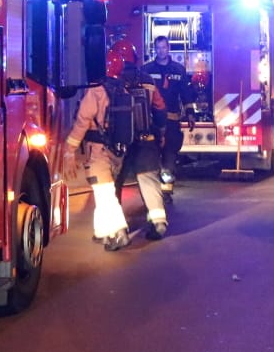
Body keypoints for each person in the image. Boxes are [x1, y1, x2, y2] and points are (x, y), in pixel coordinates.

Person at [63, 43, 137, 252]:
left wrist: (69, 151)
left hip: (98, 151)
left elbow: (82, 122)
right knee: (103, 189)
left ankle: (119, 232)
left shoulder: (96, 91)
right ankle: (103, 231)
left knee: (104, 192)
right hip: (118, 151)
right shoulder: (123, 89)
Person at [117, 60, 172, 240]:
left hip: (118, 142)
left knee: (113, 183)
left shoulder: (109, 81)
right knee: (148, 179)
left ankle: (116, 228)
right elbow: (160, 108)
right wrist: (161, 132)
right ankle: (158, 222)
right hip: (145, 138)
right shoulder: (147, 80)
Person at [144, 35, 188, 193]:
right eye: (158, 48)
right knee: (154, 154)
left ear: (168, 48)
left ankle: (167, 189)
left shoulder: (179, 70)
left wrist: (190, 113)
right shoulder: (146, 70)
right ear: (154, 49)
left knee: (170, 155)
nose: (161, 51)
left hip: (171, 119)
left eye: (164, 47)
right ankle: (156, 187)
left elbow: (185, 93)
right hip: (152, 121)